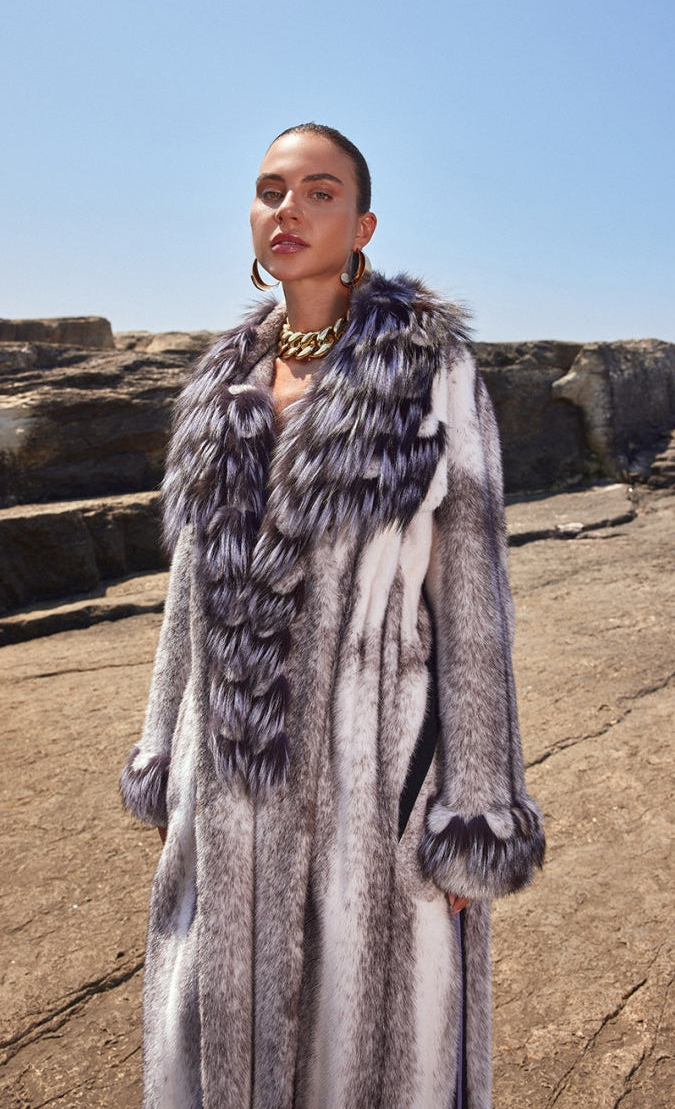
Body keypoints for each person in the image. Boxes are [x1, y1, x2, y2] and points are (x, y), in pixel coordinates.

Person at [120, 122, 544, 1109]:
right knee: (218, 1051)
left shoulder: (428, 376)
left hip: (373, 796)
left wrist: (471, 813)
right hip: (222, 796)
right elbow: (192, 597)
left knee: (366, 1064)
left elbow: (475, 605)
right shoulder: (219, 386)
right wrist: (163, 761)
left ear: (363, 224)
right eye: (272, 191)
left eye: (320, 191)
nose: (290, 210)